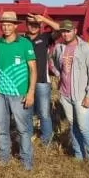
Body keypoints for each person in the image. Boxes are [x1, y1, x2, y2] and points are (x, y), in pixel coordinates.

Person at [50, 19, 89, 166]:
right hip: (65, 95)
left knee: (85, 128)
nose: (65, 34)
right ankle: (78, 156)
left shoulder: (87, 49)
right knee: (73, 126)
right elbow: (52, 62)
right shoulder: (59, 48)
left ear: (75, 31)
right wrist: (57, 73)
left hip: (81, 96)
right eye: (63, 32)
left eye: (68, 31)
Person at [0, 11, 36, 171]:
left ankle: (26, 160)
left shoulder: (24, 44)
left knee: (23, 129)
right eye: (4, 24)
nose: (6, 27)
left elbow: (33, 69)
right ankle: (4, 157)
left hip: (19, 94)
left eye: (9, 24)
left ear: (15, 26)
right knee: (2, 127)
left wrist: (30, 93)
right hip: (0, 93)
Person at [26, 13, 60, 146]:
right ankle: (27, 137)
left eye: (36, 24)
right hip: (26, 83)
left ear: (40, 25)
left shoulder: (45, 38)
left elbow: (59, 29)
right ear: (26, 25)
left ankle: (46, 140)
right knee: (27, 112)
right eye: (30, 24)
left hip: (42, 82)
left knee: (44, 113)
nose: (33, 26)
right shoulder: (21, 40)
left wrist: (44, 19)